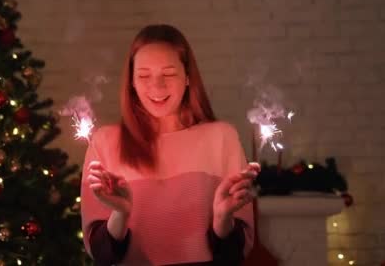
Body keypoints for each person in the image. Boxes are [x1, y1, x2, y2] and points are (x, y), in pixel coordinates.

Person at [80, 24, 260, 265]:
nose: (157, 86)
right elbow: (101, 255)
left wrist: (221, 219)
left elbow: (235, 254)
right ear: (131, 82)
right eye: (144, 75)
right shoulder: (104, 142)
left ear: (187, 77)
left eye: (169, 74)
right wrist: (121, 214)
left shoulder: (222, 138)